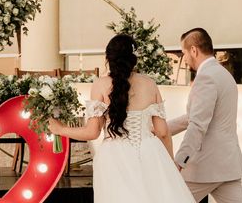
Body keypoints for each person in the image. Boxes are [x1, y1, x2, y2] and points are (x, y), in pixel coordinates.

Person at [49, 34, 195, 203]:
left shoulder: (100, 85)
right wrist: (168, 166)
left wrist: (60, 129)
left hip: (114, 157)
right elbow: (163, 132)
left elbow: (92, 132)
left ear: (108, 58)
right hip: (150, 152)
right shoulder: (149, 84)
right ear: (134, 59)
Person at [168, 28, 242, 203]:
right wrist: (161, 129)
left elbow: (197, 125)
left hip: (205, 167)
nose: (184, 58)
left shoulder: (206, 78)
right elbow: (192, 117)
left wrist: (180, 161)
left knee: (170, 198)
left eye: (184, 53)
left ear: (194, 50)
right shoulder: (225, 75)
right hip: (228, 165)